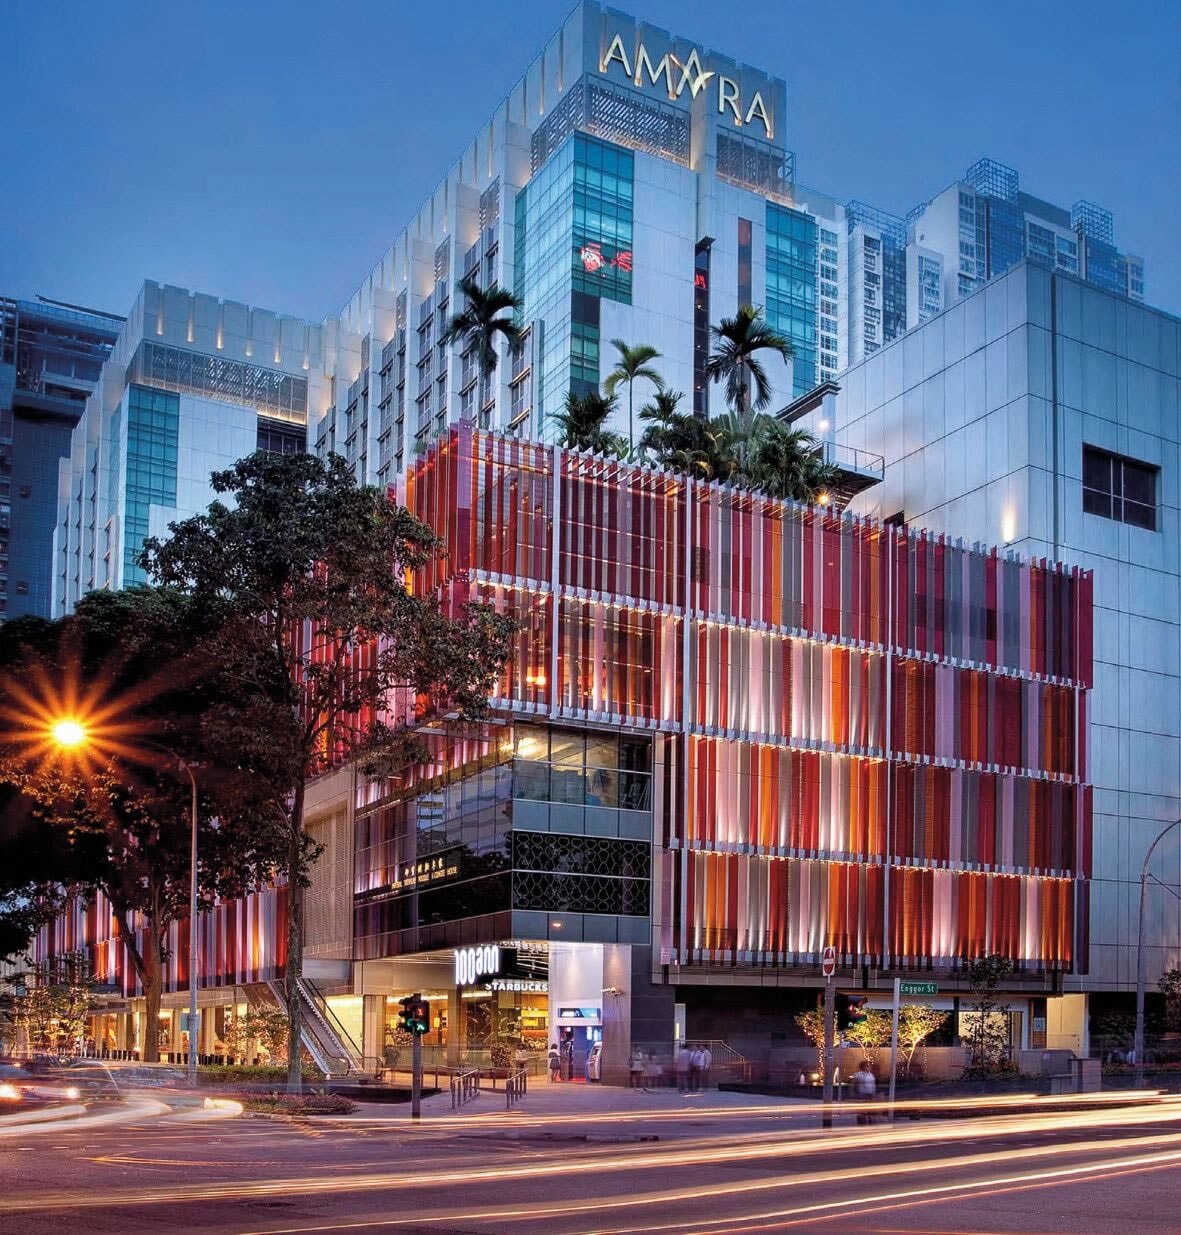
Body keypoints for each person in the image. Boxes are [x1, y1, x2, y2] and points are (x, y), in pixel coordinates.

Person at [852, 1059, 877, 1123]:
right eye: (867, 1066)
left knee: (869, 1108)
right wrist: (853, 1092)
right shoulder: (859, 1074)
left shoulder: (871, 1075)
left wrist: (874, 1093)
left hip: (870, 1094)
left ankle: (869, 1119)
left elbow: (873, 1084)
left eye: (869, 1066)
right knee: (863, 1108)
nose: (869, 1067)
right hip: (863, 1094)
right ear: (863, 1067)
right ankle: (862, 1120)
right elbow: (853, 1082)